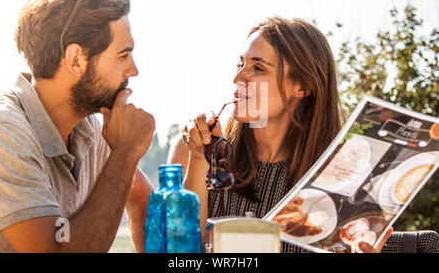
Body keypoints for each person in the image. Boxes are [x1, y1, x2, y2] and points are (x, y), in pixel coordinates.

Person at [168, 17, 399, 253]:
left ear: (302, 85)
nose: (237, 78)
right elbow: (179, 252)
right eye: (240, 64)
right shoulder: (194, 149)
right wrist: (198, 160)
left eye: (258, 67)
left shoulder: (341, 176)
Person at [0, 0, 155, 252]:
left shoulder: (88, 129)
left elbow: (144, 199)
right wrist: (125, 152)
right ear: (76, 59)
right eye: (123, 56)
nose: (133, 70)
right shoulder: (1, 131)